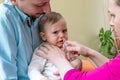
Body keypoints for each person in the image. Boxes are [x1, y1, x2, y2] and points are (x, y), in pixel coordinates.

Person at [36, 0, 120, 80]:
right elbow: (113, 71)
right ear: (43, 36)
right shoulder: (42, 51)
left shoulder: (59, 52)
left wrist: (60, 60)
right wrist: (88, 52)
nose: (111, 23)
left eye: (113, 15)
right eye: (55, 32)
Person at [0, 0, 51, 79]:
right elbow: (7, 75)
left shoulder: (40, 15)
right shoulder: (4, 19)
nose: (48, 10)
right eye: (40, 4)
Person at [28, 12, 82, 80]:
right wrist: (42, 78)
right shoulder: (43, 50)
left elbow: (76, 65)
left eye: (64, 31)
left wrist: (77, 62)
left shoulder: (68, 48)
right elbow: (33, 70)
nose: (62, 35)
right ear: (44, 36)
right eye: (55, 32)